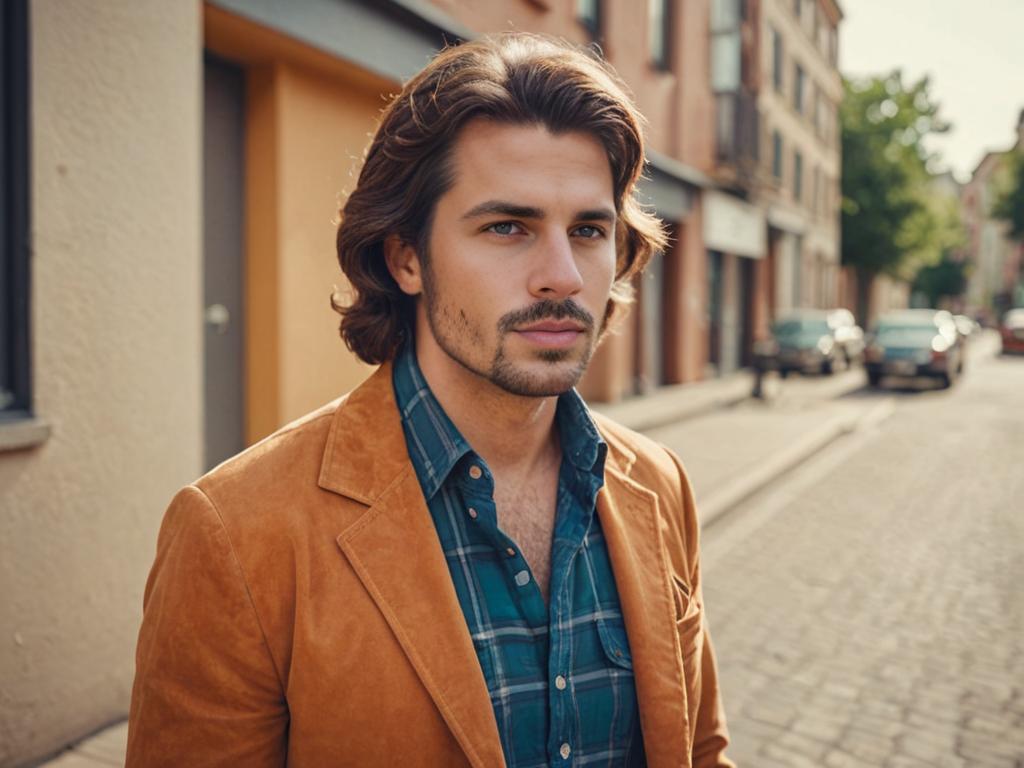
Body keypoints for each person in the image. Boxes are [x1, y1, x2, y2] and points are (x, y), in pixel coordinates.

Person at [127, 33, 733, 767]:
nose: (562, 275)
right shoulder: (237, 534)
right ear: (406, 257)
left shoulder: (658, 485)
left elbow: (699, 748)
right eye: (508, 227)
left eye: (588, 230)